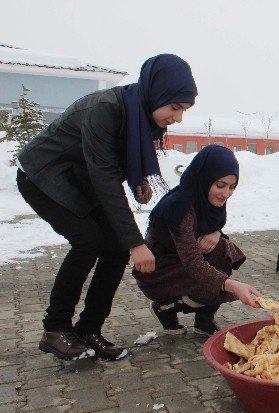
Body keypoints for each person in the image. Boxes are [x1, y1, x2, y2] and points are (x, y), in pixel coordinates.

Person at [16, 54, 197, 361]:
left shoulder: (141, 115)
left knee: (114, 247)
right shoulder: (105, 109)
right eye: (175, 107)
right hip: (42, 175)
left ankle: (89, 328)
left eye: (184, 110)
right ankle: (55, 329)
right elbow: (104, 179)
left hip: (80, 179)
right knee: (89, 241)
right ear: (157, 93)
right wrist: (137, 242)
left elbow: (116, 162)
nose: (177, 118)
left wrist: (136, 180)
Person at [133, 145, 263, 336]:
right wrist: (233, 286)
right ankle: (165, 308)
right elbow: (193, 262)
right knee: (212, 282)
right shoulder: (180, 207)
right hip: (158, 271)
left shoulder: (206, 199)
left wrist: (216, 232)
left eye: (232, 187)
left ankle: (204, 320)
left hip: (182, 261)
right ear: (204, 178)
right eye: (220, 185)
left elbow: (207, 230)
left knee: (222, 250)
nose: (226, 194)